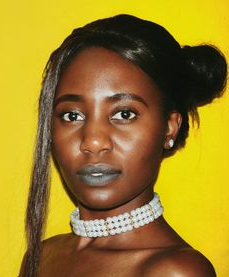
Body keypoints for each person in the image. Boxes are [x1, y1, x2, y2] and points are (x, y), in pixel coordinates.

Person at [19, 14, 227, 277]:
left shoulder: (175, 272)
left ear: (169, 128)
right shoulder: (40, 258)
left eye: (124, 114)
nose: (93, 141)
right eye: (72, 116)